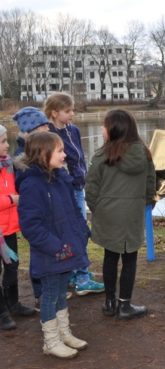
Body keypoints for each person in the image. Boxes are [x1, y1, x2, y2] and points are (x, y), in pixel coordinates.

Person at [16, 132, 89, 358]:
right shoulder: (32, 185)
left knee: (60, 293)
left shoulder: (60, 178)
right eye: (60, 151)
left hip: (66, 248)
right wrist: (56, 246)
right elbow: (31, 226)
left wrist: (81, 232)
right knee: (49, 295)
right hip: (51, 252)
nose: (65, 154)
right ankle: (51, 340)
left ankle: (63, 332)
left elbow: (75, 211)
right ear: (43, 154)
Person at [85, 109, 156, 319]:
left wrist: (97, 208)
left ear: (113, 129)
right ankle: (125, 305)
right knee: (130, 259)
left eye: (104, 125)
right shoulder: (144, 153)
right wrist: (145, 203)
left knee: (110, 256)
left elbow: (91, 187)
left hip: (107, 214)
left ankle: (109, 302)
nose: (101, 129)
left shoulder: (101, 155)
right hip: (132, 213)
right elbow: (151, 184)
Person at [43, 92, 104, 296]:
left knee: (78, 229)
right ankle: (80, 277)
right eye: (67, 110)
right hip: (62, 190)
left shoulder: (74, 130)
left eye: (72, 109)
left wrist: (84, 177)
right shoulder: (47, 134)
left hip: (78, 186)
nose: (72, 113)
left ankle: (77, 273)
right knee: (72, 231)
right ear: (54, 112)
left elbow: (79, 158)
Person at [12, 106, 52, 310]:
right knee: (38, 253)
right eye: (43, 125)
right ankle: (40, 294)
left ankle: (47, 291)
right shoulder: (22, 157)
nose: (48, 128)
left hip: (44, 210)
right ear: (31, 130)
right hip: (34, 214)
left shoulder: (40, 149)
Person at [0, 124, 36, 331]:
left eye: (7, 140)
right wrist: (11, 199)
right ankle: (2, 312)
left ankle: (13, 303)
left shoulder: (8, 165)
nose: (7, 145)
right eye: (3, 142)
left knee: (12, 266)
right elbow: (11, 197)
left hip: (9, 228)